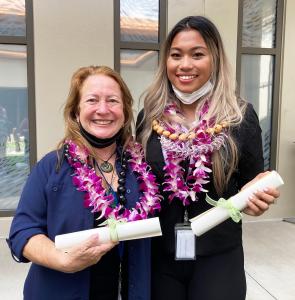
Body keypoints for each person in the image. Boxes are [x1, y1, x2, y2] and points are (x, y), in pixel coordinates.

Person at [136, 16, 280, 300]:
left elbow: (250, 187)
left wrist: (256, 203)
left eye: (197, 54)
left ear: (214, 59)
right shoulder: (149, 117)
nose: (185, 65)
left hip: (219, 255)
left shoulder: (239, 117)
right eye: (176, 55)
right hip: (161, 254)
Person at [7, 65, 161, 300]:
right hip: (64, 291)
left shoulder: (140, 168)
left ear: (125, 113)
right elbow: (23, 232)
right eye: (92, 100)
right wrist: (62, 260)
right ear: (76, 112)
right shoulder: (52, 167)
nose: (103, 109)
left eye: (112, 100)